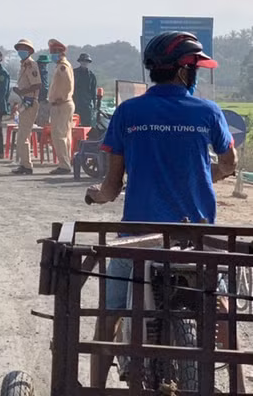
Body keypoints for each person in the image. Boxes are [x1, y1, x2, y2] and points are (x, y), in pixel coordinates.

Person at [84, 31, 238, 388]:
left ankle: (92, 389)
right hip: (194, 239)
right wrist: (205, 173)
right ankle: (236, 383)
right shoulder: (208, 112)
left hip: (138, 241)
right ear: (186, 71)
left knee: (107, 319)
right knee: (224, 317)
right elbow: (230, 163)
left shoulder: (128, 112)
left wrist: (96, 195)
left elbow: (110, 187)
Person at [11, 39, 42, 175]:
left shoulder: (31, 65)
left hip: (30, 102)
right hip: (24, 101)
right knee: (22, 135)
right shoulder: (23, 65)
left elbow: (37, 84)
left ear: (29, 51)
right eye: (19, 49)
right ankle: (24, 163)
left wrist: (22, 92)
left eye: (23, 48)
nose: (20, 51)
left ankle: (27, 165)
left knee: (24, 135)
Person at [47, 39, 75, 175]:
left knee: (59, 135)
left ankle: (64, 164)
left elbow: (68, 84)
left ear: (60, 52)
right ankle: (66, 162)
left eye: (54, 52)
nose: (52, 54)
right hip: (64, 104)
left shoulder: (63, 66)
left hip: (62, 104)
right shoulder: (61, 65)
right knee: (65, 134)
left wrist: (61, 98)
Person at [74, 53, 98, 127]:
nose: (84, 62)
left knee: (87, 124)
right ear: (80, 61)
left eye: (86, 61)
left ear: (88, 62)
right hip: (75, 102)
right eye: (83, 61)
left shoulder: (91, 75)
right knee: (74, 123)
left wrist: (95, 104)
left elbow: (93, 91)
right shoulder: (74, 73)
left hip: (87, 104)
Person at [35, 54, 51, 126]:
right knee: (41, 121)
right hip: (40, 99)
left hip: (41, 98)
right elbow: (44, 86)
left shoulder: (44, 72)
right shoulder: (40, 72)